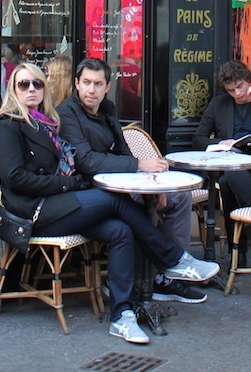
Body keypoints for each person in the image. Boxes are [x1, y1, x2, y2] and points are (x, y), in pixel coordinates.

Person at [0, 61, 219, 346]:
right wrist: (69, 183)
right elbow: (15, 179)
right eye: (24, 84)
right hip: (32, 212)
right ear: (13, 89)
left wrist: (70, 183)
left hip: (59, 202)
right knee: (114, 200)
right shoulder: (8, 125)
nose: (32, 89)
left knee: (120, 231)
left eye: (37, 83)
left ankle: (122, 314)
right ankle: (172, 259)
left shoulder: (45, 122)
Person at [57, 56, 205, 304]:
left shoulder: (108, 109)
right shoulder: (67, 113)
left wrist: (150, 182)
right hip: (88, 190)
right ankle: (141, 281)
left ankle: (167, 276)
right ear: (76, 84)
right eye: (86, 83)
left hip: (118, 181)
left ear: (107, 87)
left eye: (97, 84)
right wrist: (139, 165)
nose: (91, 89)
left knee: (178, 197)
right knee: (138, 207)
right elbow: (85, 162)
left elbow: (122, 149)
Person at [192, 59, 251, 212]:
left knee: (226, 181)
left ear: (249, 81)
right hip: (228, 161)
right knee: (230, 174)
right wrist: (222, 143)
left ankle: (242, 232)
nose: (237, 93)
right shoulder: (218, 105)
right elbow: (198, 139)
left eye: (240, 86)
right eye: (230, 90)